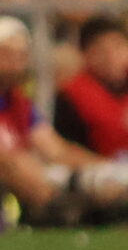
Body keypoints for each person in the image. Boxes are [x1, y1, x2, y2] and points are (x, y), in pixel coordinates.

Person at [0, 16, 128, 221]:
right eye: (6, 55)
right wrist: (9, 159)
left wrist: (104, 168)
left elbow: (55, 149)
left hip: (29, 175)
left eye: (20, 57)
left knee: (94, 177)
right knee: (16, 166)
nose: (15, 64)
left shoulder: (18, 101)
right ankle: (59, 210)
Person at [53, 17, 128, 165]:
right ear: (85, 55)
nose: (112, 57)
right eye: (101, 51)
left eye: (118, 47)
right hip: (97, 174)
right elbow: (65, 149)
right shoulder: (69, 96)